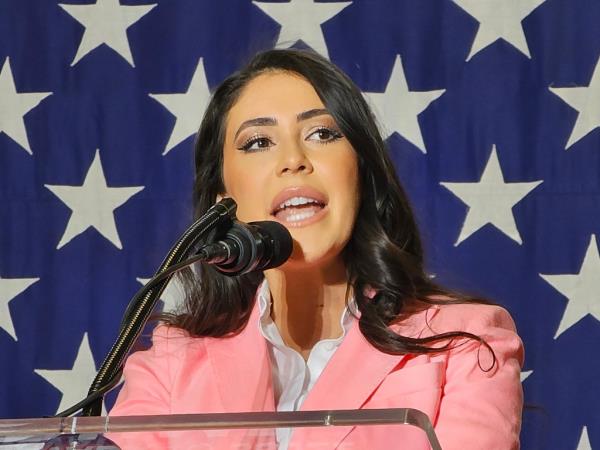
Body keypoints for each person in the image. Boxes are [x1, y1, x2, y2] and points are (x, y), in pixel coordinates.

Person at [108, 49, 524, 449]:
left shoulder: (467, 346)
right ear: (223, 201)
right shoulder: (170, 363)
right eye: (257, 142)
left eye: (322, 133)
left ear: (361, 175)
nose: (293, 159)